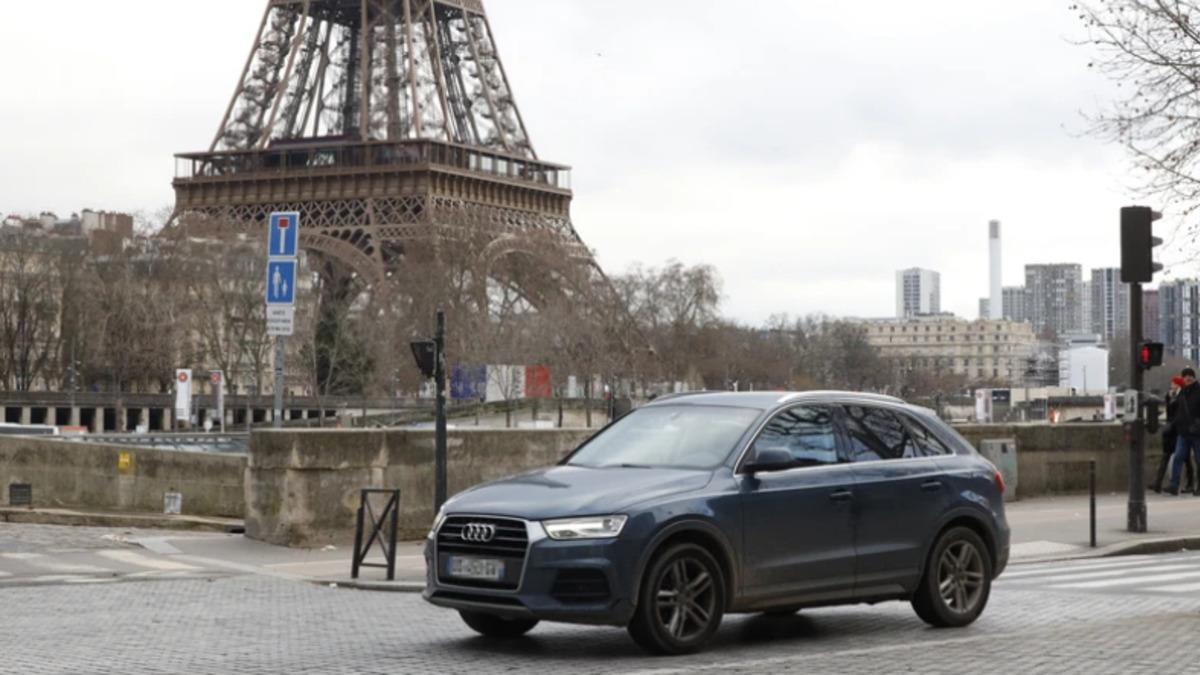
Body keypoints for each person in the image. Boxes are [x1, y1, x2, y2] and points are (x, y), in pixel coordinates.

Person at [1151, 377, 1195, 493]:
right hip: (1174, 431)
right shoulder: (1172, 396)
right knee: (1173, 456)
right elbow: (1170, 411)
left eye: (1173, 383)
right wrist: (1168, 398)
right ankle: (1161, 483)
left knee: (1183, 458)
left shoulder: (1182, 396)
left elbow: (1179, 413)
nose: (1171, 385)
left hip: (1179, 430)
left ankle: (1187, 483)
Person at [1167, 367, 1200, 496]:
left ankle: (1198, 487)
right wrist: (1171, 397)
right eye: (1185, 376)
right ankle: (1174, 485)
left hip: (1197, 433)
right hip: (1183, 432)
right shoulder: (1182, 392)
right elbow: (1175, 410)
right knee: (1178, 457)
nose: (1187, 378)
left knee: (1199, 460)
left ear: (1193, 377)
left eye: (1189, 376)